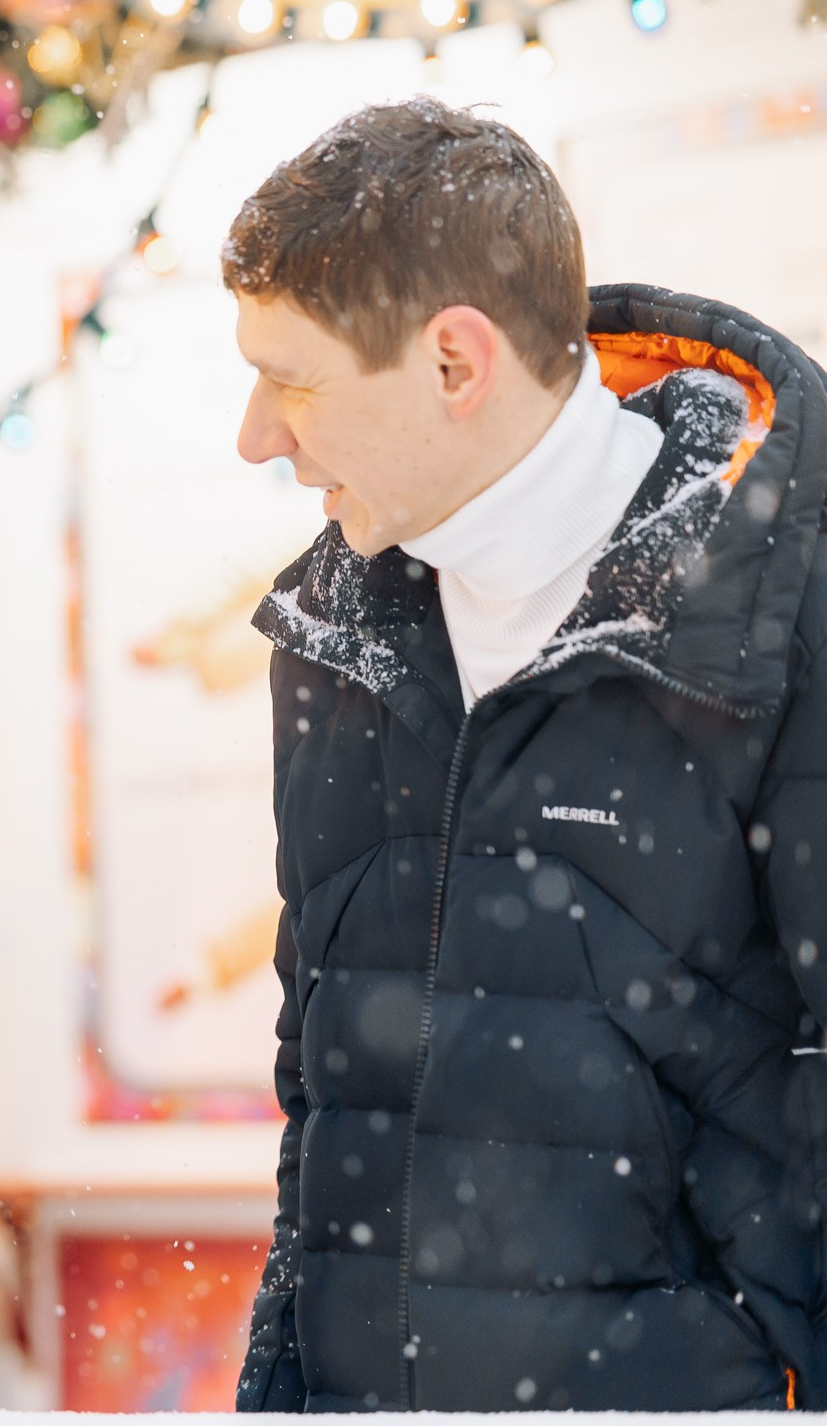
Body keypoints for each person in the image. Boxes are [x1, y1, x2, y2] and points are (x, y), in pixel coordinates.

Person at [227, 98, 827, 1411]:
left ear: (456, 362)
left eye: (296, 379)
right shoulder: (332, 640)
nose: (257, 434)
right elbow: (322, 1105)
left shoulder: (786, 612)